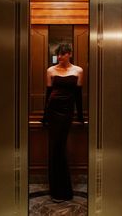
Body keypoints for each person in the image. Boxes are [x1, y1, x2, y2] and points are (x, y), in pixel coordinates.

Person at [42, 43, 84, 203]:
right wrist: (45, 116)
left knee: (60, 147)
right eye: (58, 54)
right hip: (53, 111)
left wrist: (79, 116)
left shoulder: (78, 70)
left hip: (67, 112)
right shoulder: (50, 70)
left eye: (63, 53)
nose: (59, 57)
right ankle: (56, 190)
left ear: (70, 54)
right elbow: (48, 94)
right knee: (54, 148)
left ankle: (64, 189)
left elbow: (78, 96)